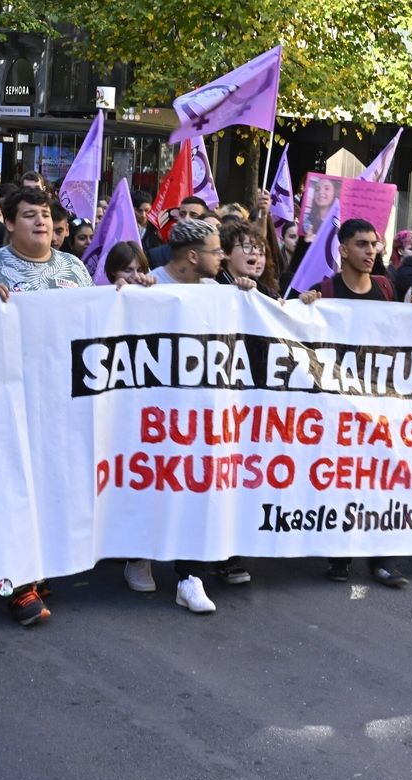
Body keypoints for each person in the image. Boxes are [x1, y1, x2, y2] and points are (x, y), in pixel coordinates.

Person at [0, 188, 95, 626]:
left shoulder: (75, 268)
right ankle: (16, 584)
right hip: (7, 400)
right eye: (30, 215)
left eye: (47, 215)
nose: (42, 222)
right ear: (9, 223)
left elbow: (95, 322)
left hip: (63, 398)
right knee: (14, 486)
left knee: (53, 486)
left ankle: (40, 567)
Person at [124, 219, 253, 608]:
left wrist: (247, 295)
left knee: (196, 486)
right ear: (193, 256)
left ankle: (189, 577)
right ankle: (138, 556)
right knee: (152, 483)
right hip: (152, 412)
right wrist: (131, 294)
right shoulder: (150, 285)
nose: (224, 257)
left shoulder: (218, 290)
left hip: (200, 414)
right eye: (217, 251)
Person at [297, 219, 412, 588]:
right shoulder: (326, 291)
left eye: (374, 244)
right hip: (338, 403)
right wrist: (305, 308)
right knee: (342, 477)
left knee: (383, 477)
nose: (370, 251)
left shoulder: (386, 288)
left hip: (379, 401)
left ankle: (384, 559)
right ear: (343, 250)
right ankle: (340, 554)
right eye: (362, 244)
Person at [146, 196, 205, 268]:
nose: (186, 219)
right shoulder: (156, 255)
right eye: (182, 214)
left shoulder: (210, 254)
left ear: (204, 220)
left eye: (193, 215)